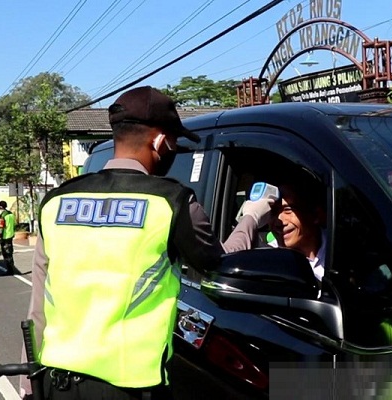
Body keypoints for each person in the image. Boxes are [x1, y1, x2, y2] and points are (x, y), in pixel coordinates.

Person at [21, 86, 274, 399]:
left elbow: (38, 305)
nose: (173, 149)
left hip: (56, 384)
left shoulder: (56, 201)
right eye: (173, 142)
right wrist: (250, 217)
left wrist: (28, 385)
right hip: (130, 389)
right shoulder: (172, 202)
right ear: (159, 141)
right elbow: (220, 263)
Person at [268, 169, 327, 282]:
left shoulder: (341, 252)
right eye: (273, 212)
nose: (278, 221)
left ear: (315, 215)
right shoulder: (268, 259)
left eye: (288, 210)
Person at [0, 200, 16, 275]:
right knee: (10, 253)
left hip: (4, 237)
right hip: (10, 236)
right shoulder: (11, 214)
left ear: (1, 207)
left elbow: (1, 227)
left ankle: (10, 270)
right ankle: (11, 269)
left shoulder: (3, 215)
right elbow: (13, 225)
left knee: (6, 254)